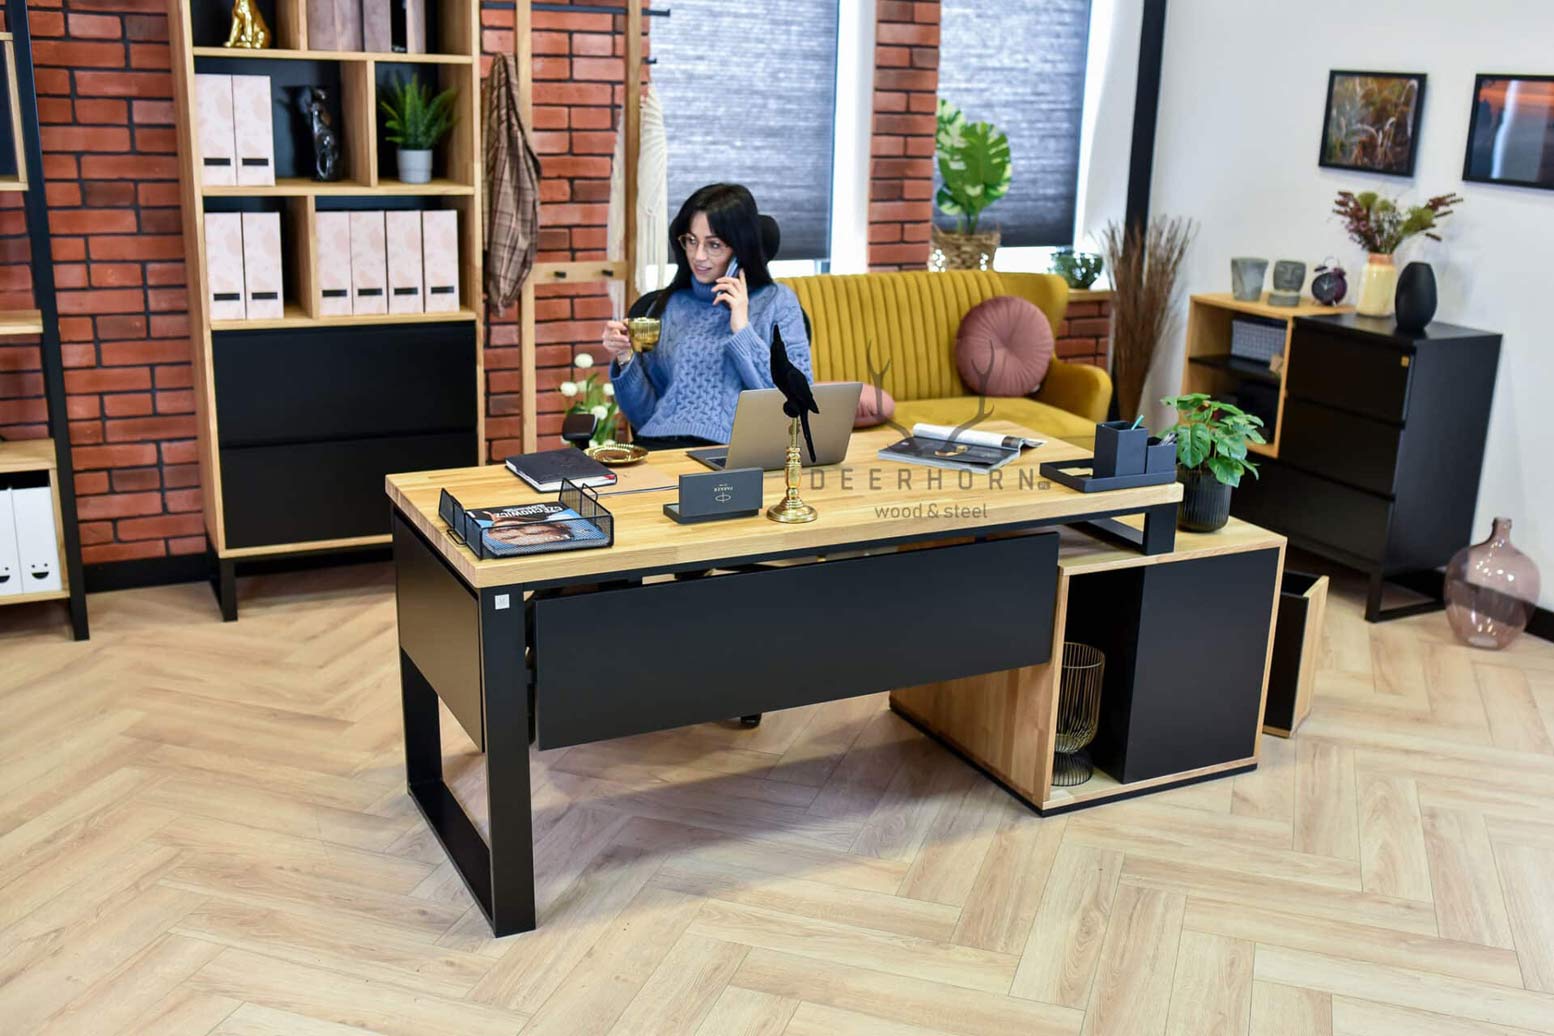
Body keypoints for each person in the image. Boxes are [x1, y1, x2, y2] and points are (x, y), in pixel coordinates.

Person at [601, 183, 812, 448]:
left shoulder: (778, 302)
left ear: (740, 248)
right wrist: (624, 358)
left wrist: (742, 328)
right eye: (691, 241)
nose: (698, 256)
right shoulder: (666, 306)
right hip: (664, 450)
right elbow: (644, 418)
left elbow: (796, 400)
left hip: (738, 454)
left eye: (714, 245)